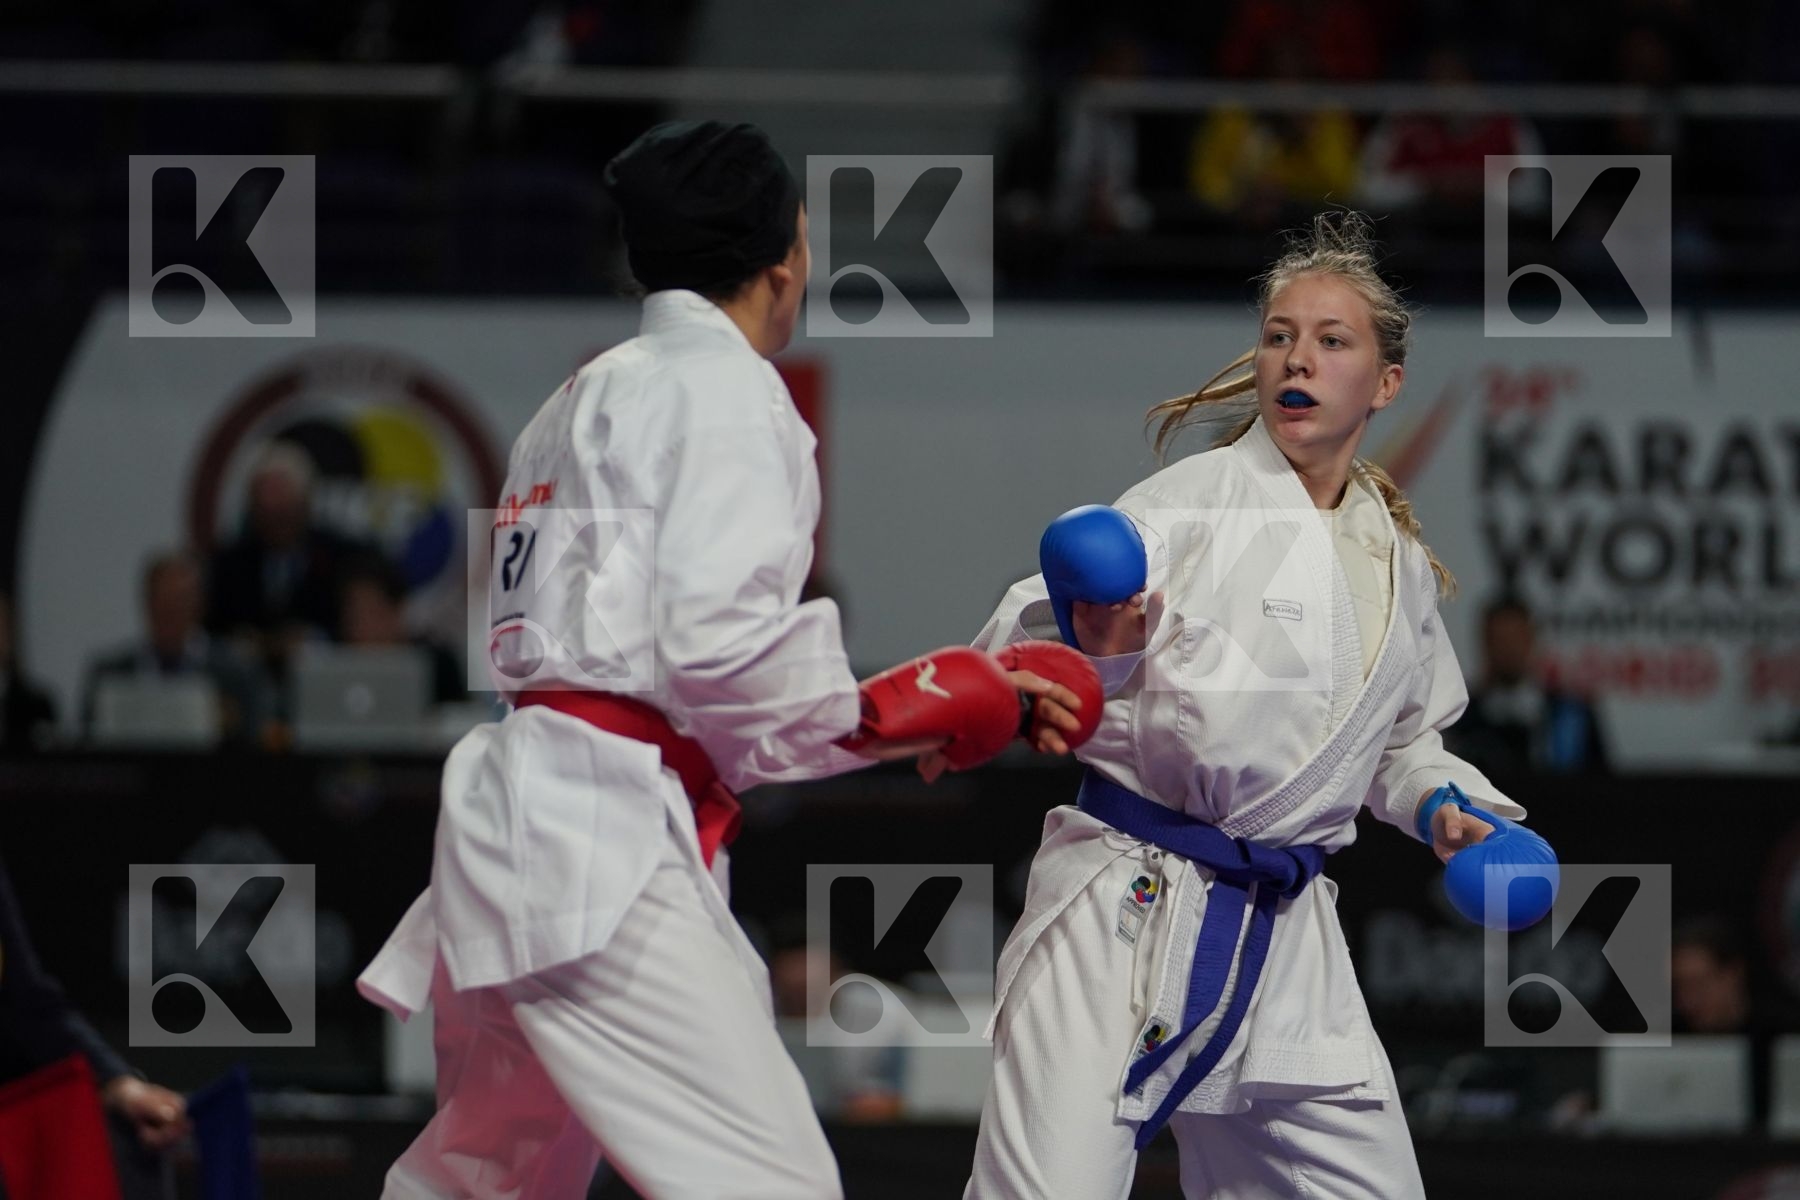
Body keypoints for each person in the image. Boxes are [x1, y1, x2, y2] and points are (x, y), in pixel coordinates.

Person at [356, 120, 1087, 1200]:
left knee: (483, 1179)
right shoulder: (731, 395)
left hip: (523, 819)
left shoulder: (576, 401)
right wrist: (916, 708)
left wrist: (924, 706)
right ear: (784, 260)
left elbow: (631, 660)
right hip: (596, 848)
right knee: (770, 1183)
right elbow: (717, 653)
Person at [961, 212, 1530, 1198]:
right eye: (1278, 336)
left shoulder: (1394, 561)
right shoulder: (1190, 504)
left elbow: (1401, 741)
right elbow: (1022, 648)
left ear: (1385, 384)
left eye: (1332, 340)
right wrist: (1102, 646)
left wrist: (1444, 804)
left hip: (1285, 938)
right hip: (1125, 912)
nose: (1297, 359)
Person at [81, 551, 270, 747]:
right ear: (147, 603)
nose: (171, 613)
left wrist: (230, 725)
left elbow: (254, 741)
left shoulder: (237, 675)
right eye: (163, 602)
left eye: (180, 601)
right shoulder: (109, 675)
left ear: (199, 605)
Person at [1447, 594, 1610, 778]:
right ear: (1484, 643)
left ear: (1531, 639)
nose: (1508, 649)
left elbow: (1602, 784)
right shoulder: (1458, 718)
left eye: (1516, 638)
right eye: (1499, 639)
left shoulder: (1572, 716)